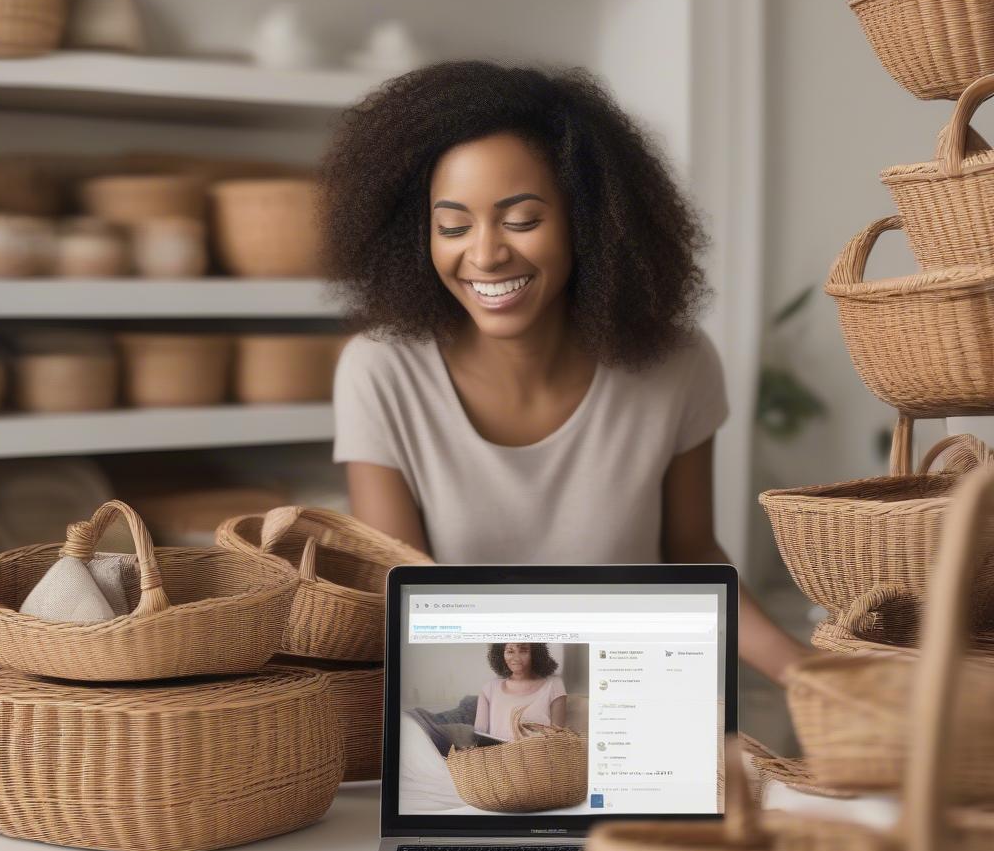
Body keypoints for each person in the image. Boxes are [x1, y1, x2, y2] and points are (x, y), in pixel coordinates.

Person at [326, 60, 809, 685]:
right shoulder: (381, 371)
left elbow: (690, 557)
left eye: (522, 220)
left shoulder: (677, 366)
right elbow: (401, 597)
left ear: (589, 223)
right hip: (474, 709)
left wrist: (800, 670)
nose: (485, 253)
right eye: (452, 226)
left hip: (636, 699)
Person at [475, 643, 566, 741]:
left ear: (535, 653)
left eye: (523, 650)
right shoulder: (489, 688)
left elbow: (557, 739)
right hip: (498, 755)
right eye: (510, 651)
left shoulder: (554, 686)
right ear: (501, 654)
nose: (516, 658)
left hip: (537, 754)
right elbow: (479, 736)